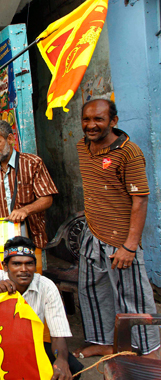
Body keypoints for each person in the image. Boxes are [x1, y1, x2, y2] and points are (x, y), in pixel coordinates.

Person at [74, 99, 160, 358]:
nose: (91, 125)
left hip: (120, 239)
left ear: (113, 121)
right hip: (93, 232)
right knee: (93, 290)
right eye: (86, 119)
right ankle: (104, 342)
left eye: (98, 119)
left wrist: (130, 246)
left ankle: (146, 349)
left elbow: (140, 200)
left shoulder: (128, 152)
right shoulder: (82, 146)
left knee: (131, 296)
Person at [0, 237, 83, 380]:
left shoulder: (46, 286)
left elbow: (58, 334)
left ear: (35, 265)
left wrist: (61, 360)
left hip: (30, 344)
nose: (23, 270)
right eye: (17, 264)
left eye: (29, 264)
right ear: (5, 267)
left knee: (72, 370)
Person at [0, 120, 58, 272]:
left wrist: (26, 210)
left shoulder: (33, 163)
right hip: (0, 243)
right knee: (6, 288)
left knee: (33, 285)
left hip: (31, 239)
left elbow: (47, 199)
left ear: (10, 139)